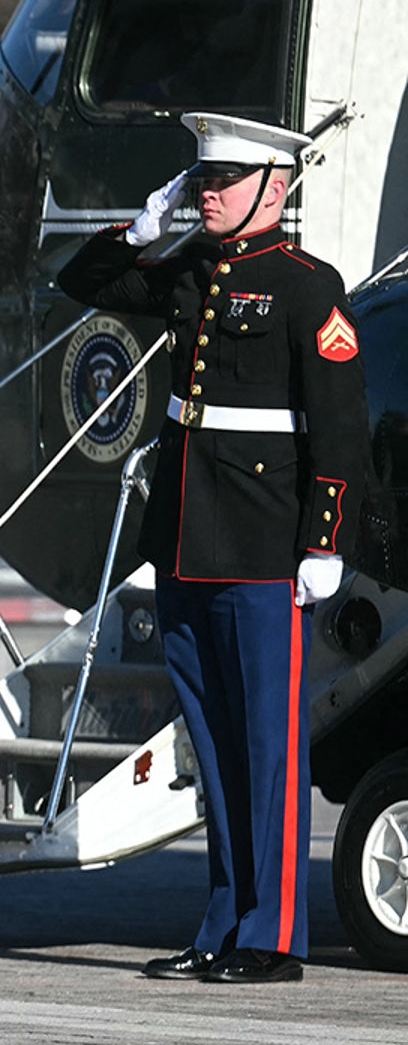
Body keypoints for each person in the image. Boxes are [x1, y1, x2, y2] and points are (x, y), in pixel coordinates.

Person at [57, 111, 373, 985]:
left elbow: (339, 433)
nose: (208, 192)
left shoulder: (309, 286)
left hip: (268, 548)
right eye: (201, 181)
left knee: (270, 748)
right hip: (189, 540)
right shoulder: (193, 266)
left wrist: (325, 541)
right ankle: (223, 924)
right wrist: (141, 228)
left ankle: (273, 939)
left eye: (224, 180)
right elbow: (80, 282)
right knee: (214, 744)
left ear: (275, 188)